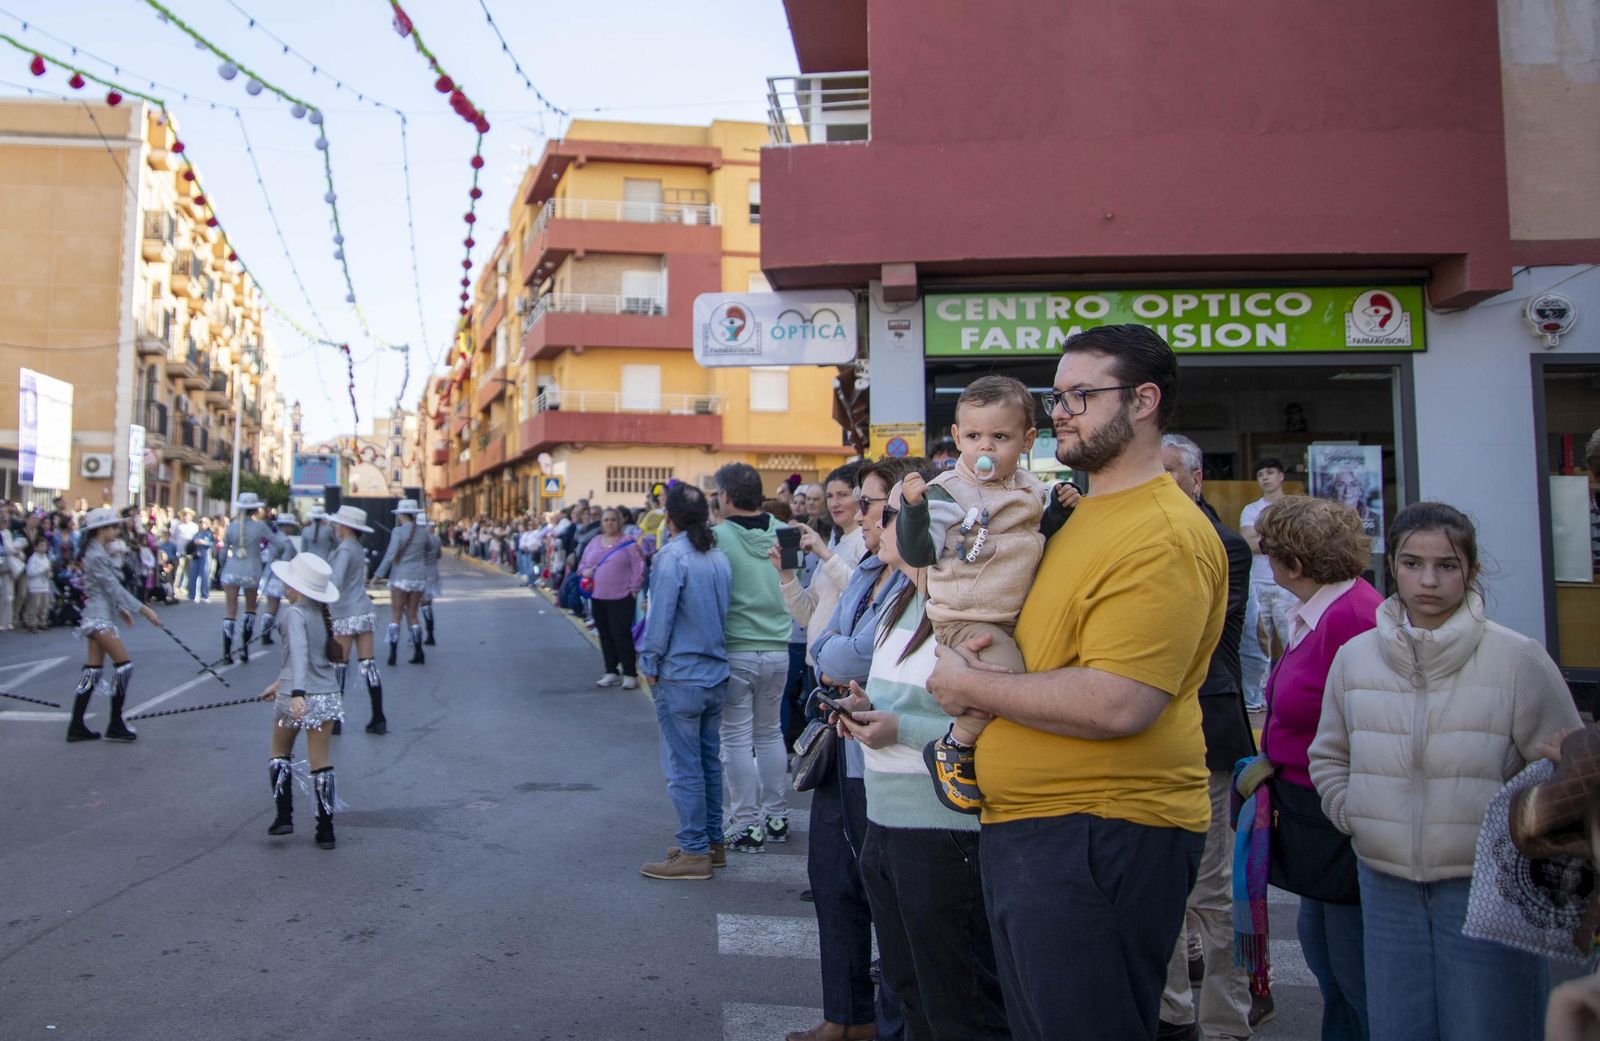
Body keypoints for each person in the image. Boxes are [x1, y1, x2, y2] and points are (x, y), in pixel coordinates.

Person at [925, 324, 1226, 1041]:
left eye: (1080, 396)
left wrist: (970, 688)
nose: (1059, 411)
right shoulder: (1082, 514)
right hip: (1046, 835)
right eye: (1056, 396)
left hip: (1100, 833)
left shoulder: (1160, 532)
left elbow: (1120, 700)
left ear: (1144, 400)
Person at [1309, 502, 1580, 1041]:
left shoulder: (1518, 659)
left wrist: (1516, 837)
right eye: (1412, 563)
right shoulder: (1356, 658)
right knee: (1398, 1029)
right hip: (1384, 885)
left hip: (1487, 891)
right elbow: (1330, 755)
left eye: (1447, 565)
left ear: (1471, 571)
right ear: (1394, 569)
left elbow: (1569, 771)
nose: (1428, 580)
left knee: (1490, 1027)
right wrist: (1356, 813)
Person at [831, 469, 1011, 1040]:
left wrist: (898, 729)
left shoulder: (963, 614)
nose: (870, 520)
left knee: (957, 999)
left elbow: (988, 715)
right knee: (909, 989)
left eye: (884, 513)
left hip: (941, 827)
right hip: (887, 816)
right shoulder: (900, 599)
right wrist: (864, 705)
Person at [898, 374, 1077, 815]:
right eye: (974, 436)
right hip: (967, 615)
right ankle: (955, 746)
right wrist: (913, 510)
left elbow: (1036, 540)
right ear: (957, 437)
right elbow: (918, 552)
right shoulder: (946, 492)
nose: (986, 448)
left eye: (1001, 437)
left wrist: (1057, 510)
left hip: (1011, 612)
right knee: (1006, 682)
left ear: (1028, 440)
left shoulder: (1030, 490)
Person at [787, 458, 917, 1041]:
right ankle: (845, 1016)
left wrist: (837, 650)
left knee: (884, 899)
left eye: (872, 504)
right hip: (839, 738)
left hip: (883, 756)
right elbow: (828, 642)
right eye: (859, 501)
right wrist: (837, 649)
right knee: (833, 881)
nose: (861, 514)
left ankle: (882, 1024)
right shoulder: (867, 567)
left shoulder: (915, 573)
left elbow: (844, 654)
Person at [1253, 495, 1383, 1041]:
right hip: (1310, 808)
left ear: (1294, 565)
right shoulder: (1323, 610)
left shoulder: (1352, 616)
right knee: (1328, 958)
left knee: (1352, 973)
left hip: (1336, 813)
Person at [1158, 434, 1257, 1041]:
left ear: (1196, 480)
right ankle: (1172, 1011)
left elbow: (1199, 631)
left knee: (1211, 888)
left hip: (1204, 725)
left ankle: (1226, 1018)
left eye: (1170, 473)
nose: (1160, 481)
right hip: (1150, 730)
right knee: (1160, 880)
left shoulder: (1225, 545)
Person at [637, 484, 733, 880]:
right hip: (715, 673)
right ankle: (712, 843)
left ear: (668, 516)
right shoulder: (718, 557)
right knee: (709, 762)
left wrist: (648, 660)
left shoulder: (671, 557)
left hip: (681, 675)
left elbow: (659, 619)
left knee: (683, 766)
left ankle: (694, 851)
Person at [712, 461, 794, 854]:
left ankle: (746, 823)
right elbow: (793, 585)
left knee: (736, 740)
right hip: (779, 647)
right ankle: (777, 816)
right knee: (770, 732)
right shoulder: (787, 534)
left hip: (737, 649)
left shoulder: (716, 537)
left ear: (725, 497)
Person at [259, 553, 345, 850]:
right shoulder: (321, 613)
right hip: (327, 696)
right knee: (322, 762)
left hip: (297, 696)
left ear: (295, 587)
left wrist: (294, 693)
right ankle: (326, 829)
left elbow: (297, 653)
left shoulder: (294, 613)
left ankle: (284, 816)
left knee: (279, 752)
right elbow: (304, 659)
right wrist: (276, 684)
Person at [65, 508, 161, 742]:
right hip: (98, 617)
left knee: (93, 671)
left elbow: (107, 589)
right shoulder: (96, 555)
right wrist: (144, 609)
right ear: (101, 530)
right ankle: (116, 723)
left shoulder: (97, 551)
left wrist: (121, 609)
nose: (117, 530)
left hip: (98, 615)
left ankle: (76, 726)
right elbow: (113, 588)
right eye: (112, 527)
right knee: (124, 667)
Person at [326, 506, 386, 735]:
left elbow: (336, 581)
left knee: (339, 665)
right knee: (368, 663)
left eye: (338, 523)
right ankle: (378, 715)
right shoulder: (357, 548)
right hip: (363, 608)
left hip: (344, 611)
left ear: (345, 527)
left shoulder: (344, 550)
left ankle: (335, 719)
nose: (335, 526)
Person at [1239, 459, 1292, 711]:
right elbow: (1248, 543)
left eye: (1270, 472)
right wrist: (1281, 536)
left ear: (1281, 476)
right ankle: (1258, 698)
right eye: (1260, 474)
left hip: (1287, 588)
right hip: (1258, 586)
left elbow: (1299, 541)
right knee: (1259, 647)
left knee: (1293, 642)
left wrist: (1262, 537)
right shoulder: (1251, 509)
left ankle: (1290, 693)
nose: (1265, 478)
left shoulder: (1292, 507)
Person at [580, 507, 646, 689]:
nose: (609, 523)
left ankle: (629, 673)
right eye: (606, 520)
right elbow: (583, 563)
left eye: (613, 520)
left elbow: (638, 567)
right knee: (605, 635)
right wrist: (584, 572)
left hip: (622, 597)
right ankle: (611, 671)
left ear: (620, 522)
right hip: (598, 596)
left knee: (621, 635)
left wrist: (633, 591)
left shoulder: (629, 543)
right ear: (601, 523)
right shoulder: (594, 542)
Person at [373, 499, 429, 667]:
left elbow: (390, 555)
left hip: (400, 577)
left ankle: (393, 653)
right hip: (418, 577)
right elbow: (427, 552)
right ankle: (419, 650)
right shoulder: (423, 532)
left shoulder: (397, 532)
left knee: (395, 615)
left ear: (402, 515)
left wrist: (378, 574)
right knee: (413, 615)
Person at [218, 492, 271, 664]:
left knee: (230, 610)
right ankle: (245, 649)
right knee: (250, 608)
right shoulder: (259, 527)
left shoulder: (231, 527)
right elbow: (276, 541)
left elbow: (223, 551)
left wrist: (221, 566)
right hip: (251, 570)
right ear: (255, 509)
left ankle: (227, 652)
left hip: (232, 569)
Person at [257, 514, 300, 646]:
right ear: (286, 527)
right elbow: (286, 562)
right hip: (281, 576)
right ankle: (285, 630)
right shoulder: (286, 542)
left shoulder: (274, 539)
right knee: (289, 604)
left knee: (271, 605)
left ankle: (266, 632)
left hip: (269, 574)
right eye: (291, 527)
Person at [419, 517, 442, 645]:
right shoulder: (437, 538)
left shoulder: (419, 540)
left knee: (415, 607)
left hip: (421, 574)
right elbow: (439, 556)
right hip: (433, 573)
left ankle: (417, 634)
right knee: (428, 605)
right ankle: (430, 633)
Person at [23, 536, 53, 631]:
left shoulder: (45, 558)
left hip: (44, 585)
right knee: (34, 606)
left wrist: (49, 574)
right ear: (35, 547)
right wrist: (42, 571)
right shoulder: (33, 559)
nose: (44, 547)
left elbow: (48, 570)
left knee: (43, 606)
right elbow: (30, 572)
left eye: (45, 545)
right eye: (41, 545)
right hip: (35, 586)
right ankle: (31, 623)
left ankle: (41, 621)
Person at [186, 518, 215, 604]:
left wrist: (204, 542)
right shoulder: (196, 534)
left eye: (204, 523)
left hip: (205, 555)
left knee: (205, 576)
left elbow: (212, 544)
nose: (202, 524)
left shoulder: (209, 534)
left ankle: (204, 595)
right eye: (200, 522)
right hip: (195, 556)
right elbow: (190, 545)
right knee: (192, 575)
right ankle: (192, 595)